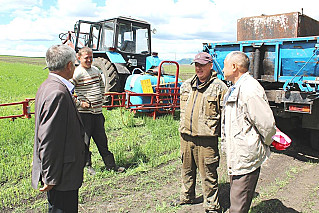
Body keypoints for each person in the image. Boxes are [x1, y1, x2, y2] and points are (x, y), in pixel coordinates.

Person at [31, 44, 86, 212]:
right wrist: (50, 176)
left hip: (60, 172)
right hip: (62, 175)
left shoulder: (47, 85)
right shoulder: (58, 93)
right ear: (69, 66)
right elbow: (49, 139)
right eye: (75, 64)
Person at [221, 51, 276, 213]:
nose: (222, 70)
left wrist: (265, 143)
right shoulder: (237, 87)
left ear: (234, 67)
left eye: (225, 65)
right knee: (238, 200)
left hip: (245, 156)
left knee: (238, 207)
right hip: (238, 155)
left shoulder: (250, 89)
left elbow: (266, 124)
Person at [176, 52, 228, 213]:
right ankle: (187, 197)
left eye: (202, 65)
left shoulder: (220, 87)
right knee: (186, 170)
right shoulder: (186, 85)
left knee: (209, 174)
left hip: (207, 140)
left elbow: (226, 117)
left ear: (210, 66)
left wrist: (225, 139)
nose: (198, 68)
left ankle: (212, 206)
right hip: (186, 137)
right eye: (196, 65)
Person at [70, 47, 124, 174]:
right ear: (79, 58)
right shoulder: (77, 73)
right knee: (85, 142)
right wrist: (79, 103)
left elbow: (101, 85)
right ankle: (87, 167)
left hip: (98, 113)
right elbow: (67, 91)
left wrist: (101, 98)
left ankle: (111, 166)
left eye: (91, 57)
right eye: (86, 58)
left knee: (102, 140)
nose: (89, 60)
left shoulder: (95, 70)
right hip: (85, 115)